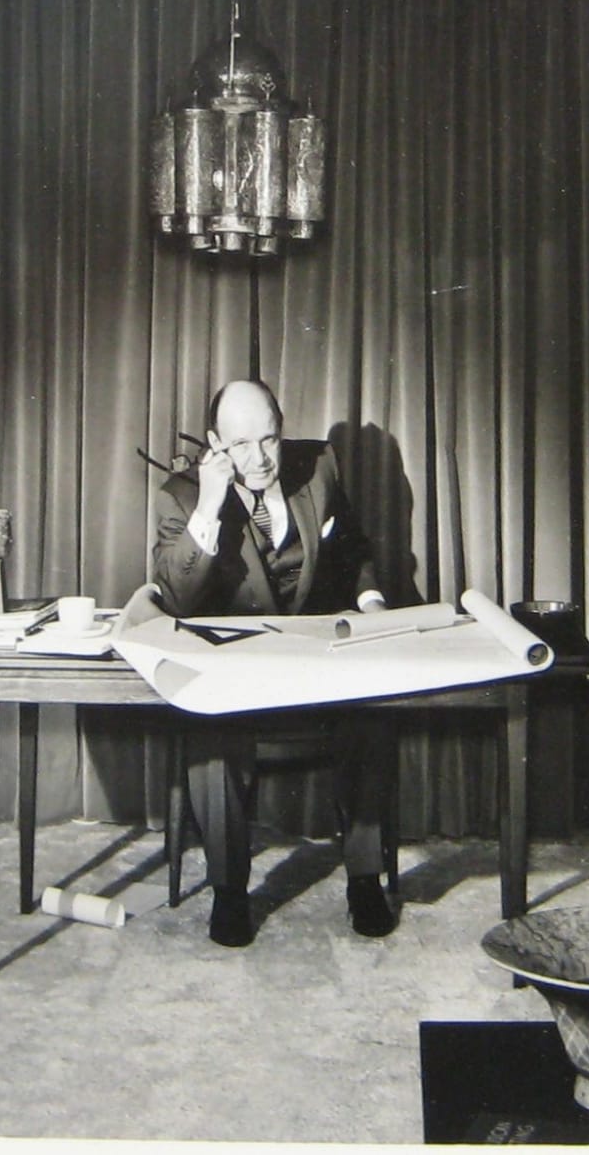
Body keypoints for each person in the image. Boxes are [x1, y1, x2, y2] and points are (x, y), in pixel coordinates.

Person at [150, 379, 397, 947]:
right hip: (236, 675)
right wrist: (210, 504)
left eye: (269, 439)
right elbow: (177, 597)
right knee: (209, 728)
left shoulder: (320, 467)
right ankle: (230, 891)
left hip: (314, 666)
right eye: (241, 445)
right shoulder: (182, 495)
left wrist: (371, 602)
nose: (260, 458)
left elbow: (352, 547)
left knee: (373, 711)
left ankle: (365, 879)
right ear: (214, 443)